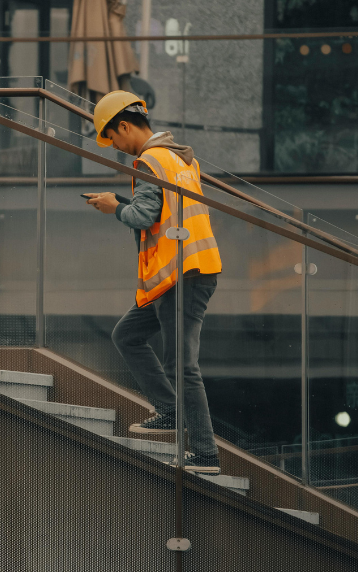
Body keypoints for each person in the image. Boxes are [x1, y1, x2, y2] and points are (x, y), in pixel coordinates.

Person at [82, 90, 223, 474]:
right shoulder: (177, 158)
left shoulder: (149, 162)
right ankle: (170, 410)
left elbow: (143, 215)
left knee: (183, 366)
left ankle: (207, 454)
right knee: (127, 335)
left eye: (113, 137)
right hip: (183, 271)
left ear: (124, 126)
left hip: (182, 274)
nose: (115, 147)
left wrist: (114, 207)